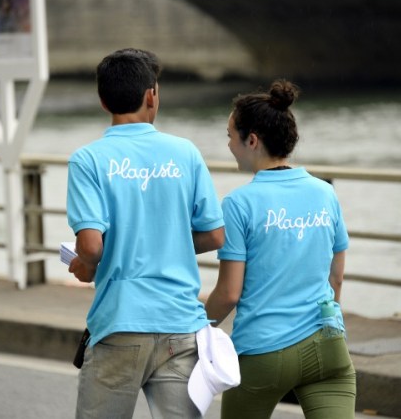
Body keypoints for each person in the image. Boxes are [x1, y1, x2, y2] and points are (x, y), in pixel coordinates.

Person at [66, 48, 225, 419]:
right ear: (152, 95)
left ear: (103, 100)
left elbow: (90, 247)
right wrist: (167, 243)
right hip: (181, 326)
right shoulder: (185, 152)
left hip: (121, 322)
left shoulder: (88, 159)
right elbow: (215, 236)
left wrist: (85, 267)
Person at [205, 79, 356, 419]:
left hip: (263, 351)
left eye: (230, 135)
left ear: (252, 140)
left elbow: (229, 293)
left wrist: (198, 329)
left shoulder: (239, 204)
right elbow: (337, 277)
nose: (229, 144)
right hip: (328, 345)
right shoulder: (324, 193)